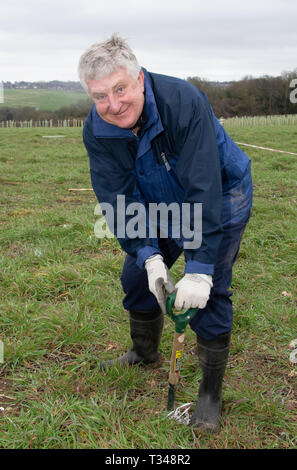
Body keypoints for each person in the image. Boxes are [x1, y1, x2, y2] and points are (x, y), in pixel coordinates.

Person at [78, 34, 253, 434]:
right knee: (137, 275)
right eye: (100, 96)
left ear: (139, 78)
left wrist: (200, 268)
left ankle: (209, 396)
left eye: (120, 89)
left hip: (221, 195)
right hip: (157, 201)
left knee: (209, 293)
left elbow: (203, 188)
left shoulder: (183, 103)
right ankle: (144, 351)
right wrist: (149, 255)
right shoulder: (99, 129)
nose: (113, 104)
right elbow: (116, 198)